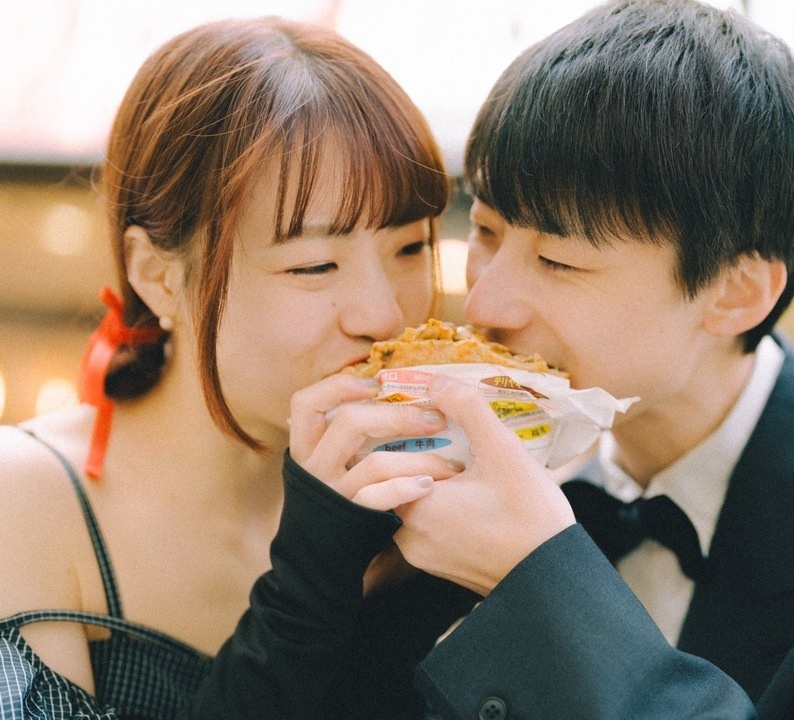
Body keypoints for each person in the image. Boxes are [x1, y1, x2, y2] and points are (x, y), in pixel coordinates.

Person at [187, 1, 794, 719]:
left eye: (559, 261)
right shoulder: (460, 477)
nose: (487, 302)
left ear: (735, 293)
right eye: (486, 232)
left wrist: (542, 580)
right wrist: (317, 567)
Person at [0, 15, 461, 719]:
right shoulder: (26, 500)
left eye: (410, 248)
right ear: (157, 275)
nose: (383, 314)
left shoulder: (420, 506)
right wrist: (313, 581)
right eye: (315, 264)